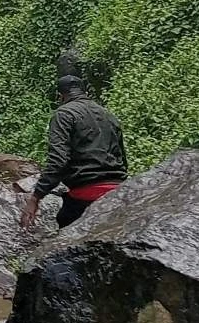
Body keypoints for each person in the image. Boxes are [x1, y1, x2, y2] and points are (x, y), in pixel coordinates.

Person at [22, 74, 128, 230]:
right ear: (86, 93)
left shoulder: (64, 114)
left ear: (60, 96)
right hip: (119, 191)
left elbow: (58, 161)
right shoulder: (108, 115)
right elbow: (123, 160)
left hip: (85, 194)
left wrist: (35, 197)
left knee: (66, 232)